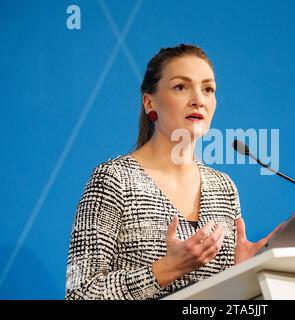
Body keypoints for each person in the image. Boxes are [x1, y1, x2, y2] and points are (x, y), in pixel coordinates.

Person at [65, 44, 279, 300]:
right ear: (149, 102)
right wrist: (166, 269)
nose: (198, 99)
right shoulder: (114, 179)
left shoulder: (224, 188)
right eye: (181, 86)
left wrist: (241, 273)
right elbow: (79, 294)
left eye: (208, 89)